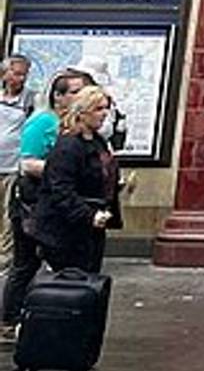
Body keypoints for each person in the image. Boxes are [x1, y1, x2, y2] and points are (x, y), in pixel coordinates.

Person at [1, 69, 87, 338]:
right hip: (33, 201)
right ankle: (8, 320)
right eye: (74, 92)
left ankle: (57, 315)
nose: (79, 97)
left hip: (58, 202)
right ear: (58, 96)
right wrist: (61, 169)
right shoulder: (43, 122)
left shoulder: (73, 126)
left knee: (60, 262)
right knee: (25, 262)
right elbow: (27, 162)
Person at [28, 84, 121, 275]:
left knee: (88, 280)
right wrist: (88, 215)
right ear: (82, 112)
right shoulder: (69, 146)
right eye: (98, 109)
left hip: (90, 227)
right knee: (70, 283)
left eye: (106, 108)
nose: (104, 114)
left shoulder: (97, 141)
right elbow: (60, 190)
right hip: (65, 229)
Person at [0, 55, 29, 272]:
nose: (20, 79)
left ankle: (4, 258)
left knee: (7, 214)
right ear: (5, 73)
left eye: (24, 74)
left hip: (12, 164)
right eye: (17, 73)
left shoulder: (30, 100)